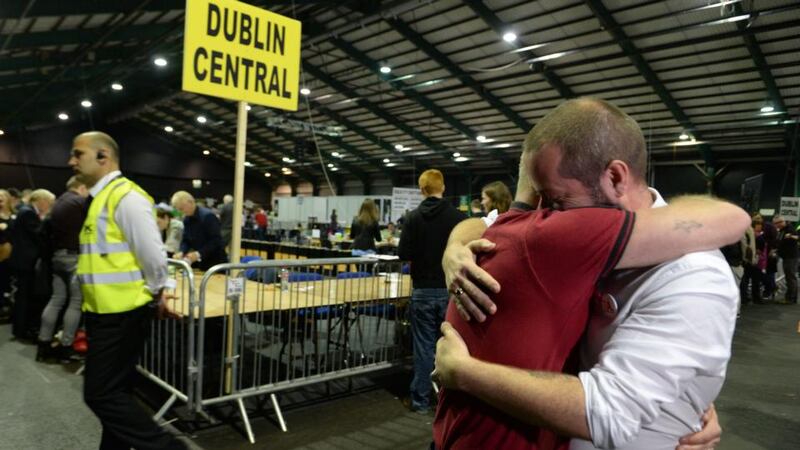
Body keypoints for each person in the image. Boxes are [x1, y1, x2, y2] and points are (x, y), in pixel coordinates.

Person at [435, 98, 745, 450]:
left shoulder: (693, 275)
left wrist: (465, 373)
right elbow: (494, 225)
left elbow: (610, 411)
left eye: (555, 200)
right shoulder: (575, 228)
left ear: (615, 177)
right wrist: (455, 248)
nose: (545, 217)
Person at [68, 131, 186, 450]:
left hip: (121, 314)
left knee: (100, 394)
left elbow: (153, 256)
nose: (71, 161)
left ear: (103, 156)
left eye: (78, 154)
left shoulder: (127, 198)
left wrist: (159, 290)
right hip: (104, 312)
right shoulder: (100, 200)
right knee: (117, 392)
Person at [397, 169, 466, 414]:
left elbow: (403, 253)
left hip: (423, 291)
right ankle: (451, 399)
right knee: (452, 344)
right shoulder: (458, 218)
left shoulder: (413, 218)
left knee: (424, 347)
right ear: (443, 187)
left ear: (422, 190)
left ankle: (420, 400)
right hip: (450, 290)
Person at [37, 177, 89, 362]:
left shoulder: (57, 203)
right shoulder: (79, 202)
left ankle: (43, 344)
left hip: (57, 257)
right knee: (75, 302)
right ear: (81, 187)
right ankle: (66, 348)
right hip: (74, 257)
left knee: (56, 299)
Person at [8, 188, 55, 341]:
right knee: (24, 297)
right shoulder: (28, 213)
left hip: (21, 260)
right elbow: (38, 234)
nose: (50, 206)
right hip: (25, 262)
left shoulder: (24, 211)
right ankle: (22, 330)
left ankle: (20, 328)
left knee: (23, 296)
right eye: (49, 203)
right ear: (41, 200)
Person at [171, 190, 226, 270]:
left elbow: (216, 241)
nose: (181, 211)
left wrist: (198, 254)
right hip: (202, 262)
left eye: (182, 208)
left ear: (190, 202)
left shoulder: (208, 216)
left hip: (216, 262)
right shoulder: (187, 219)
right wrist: (182, 251)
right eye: (179, 209)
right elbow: (186, 240)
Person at [772, 215, 798, 304]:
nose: (776, 225)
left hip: (791, 257)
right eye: (775, 224)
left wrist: (791, 236)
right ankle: (790, 298)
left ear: (781, 222)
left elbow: (797, 237)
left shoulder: (790, 229)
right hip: (787, 257)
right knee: (789, 277)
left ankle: (790, 299)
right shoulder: (782, 230)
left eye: (776, 223)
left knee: (791, 277)